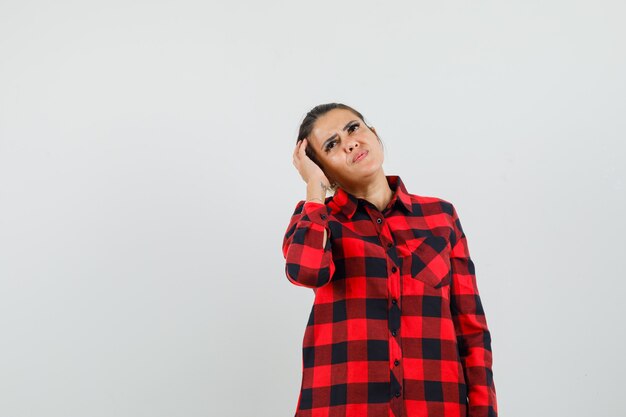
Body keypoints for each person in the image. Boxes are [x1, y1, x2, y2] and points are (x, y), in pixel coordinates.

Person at [282, 103, 498, 417]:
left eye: (354, 128)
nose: (350, 142)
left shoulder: (440, 217)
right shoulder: (317, 221)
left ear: (374, 134)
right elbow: (306, 270)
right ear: (322, 168)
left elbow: (472, 331)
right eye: (332, 145)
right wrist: (314, 189)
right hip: (342, 408)